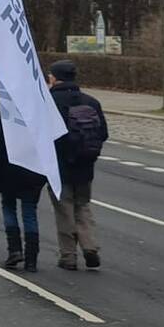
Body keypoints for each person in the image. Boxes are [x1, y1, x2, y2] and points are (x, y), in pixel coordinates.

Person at [47, 61, 107, 271]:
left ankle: (69, 256)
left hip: (59, 167)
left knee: (64, 210)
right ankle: (90, 246)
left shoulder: (49, 102)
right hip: (85, 167)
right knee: (83, 206)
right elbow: (103, 134)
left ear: (54, 78)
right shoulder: (91, 102)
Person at [0, 110, 46, 272]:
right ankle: (32, 258)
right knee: (29, 211)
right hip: (33, 171)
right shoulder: (37, 112)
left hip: (8, 171)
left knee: (9, 207)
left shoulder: (3, 114)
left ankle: (15, 250)